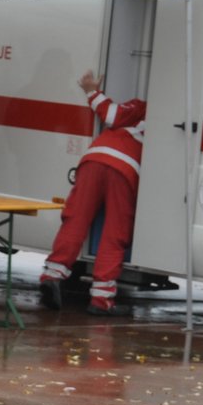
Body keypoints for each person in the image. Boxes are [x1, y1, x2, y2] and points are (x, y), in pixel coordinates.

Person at [38, 70, 147, 316]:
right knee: (115, 232)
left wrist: (92, 92)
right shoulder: (163, 115)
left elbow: (111, 115)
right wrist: (91, 90)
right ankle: (101, 299)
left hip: (95, 158)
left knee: (75, 219)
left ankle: (52, 275)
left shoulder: (142, 106)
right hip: (126, 169)